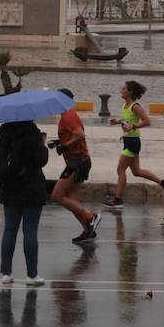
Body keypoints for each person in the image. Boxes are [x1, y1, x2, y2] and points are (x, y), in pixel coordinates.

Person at [0, 119, 49, 286]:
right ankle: (32, 275)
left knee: (9, 230)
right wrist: (43, 143)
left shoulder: (5, 130)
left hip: (10, 187)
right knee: (30, 231)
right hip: (31, 187)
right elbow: (41, 160)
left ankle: (6, 273)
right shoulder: (32, 131)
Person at [102, 80, 164, 209]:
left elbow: (147, 121)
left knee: (120, 170)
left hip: (132, 142)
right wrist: (117, 121)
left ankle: (118, 200)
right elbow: (127, 120)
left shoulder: (135, 106)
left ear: (130, 92)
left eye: (123, 89)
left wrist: (132, 126)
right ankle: (163, 182)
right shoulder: (125, 105)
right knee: (137, 171)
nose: (120, 91)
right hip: (129, 140)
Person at [49, 89, 101, 243]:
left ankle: (90, 217)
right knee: (69, 197)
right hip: (80, 161)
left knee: (57, 196)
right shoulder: (67, 115)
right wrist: (59, 143)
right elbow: (73, 136)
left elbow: (79, 134)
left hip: (77, 162)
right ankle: (88, 231)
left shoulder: (68, 116)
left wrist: (64, 147)